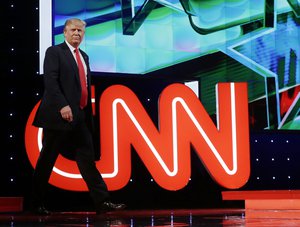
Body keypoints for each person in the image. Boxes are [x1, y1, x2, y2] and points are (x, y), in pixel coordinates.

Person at [31, 18, 126, 215]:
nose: (77, 34)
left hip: (80, 116)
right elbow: (51, 81)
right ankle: (35, 203)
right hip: (60, 116)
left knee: (87, 161)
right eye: (73, 30)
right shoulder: (54, 52)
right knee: (47, 160)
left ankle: (102, 202)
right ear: (65, 32)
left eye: (80, 31)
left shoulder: (84, 55)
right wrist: (63, 105)